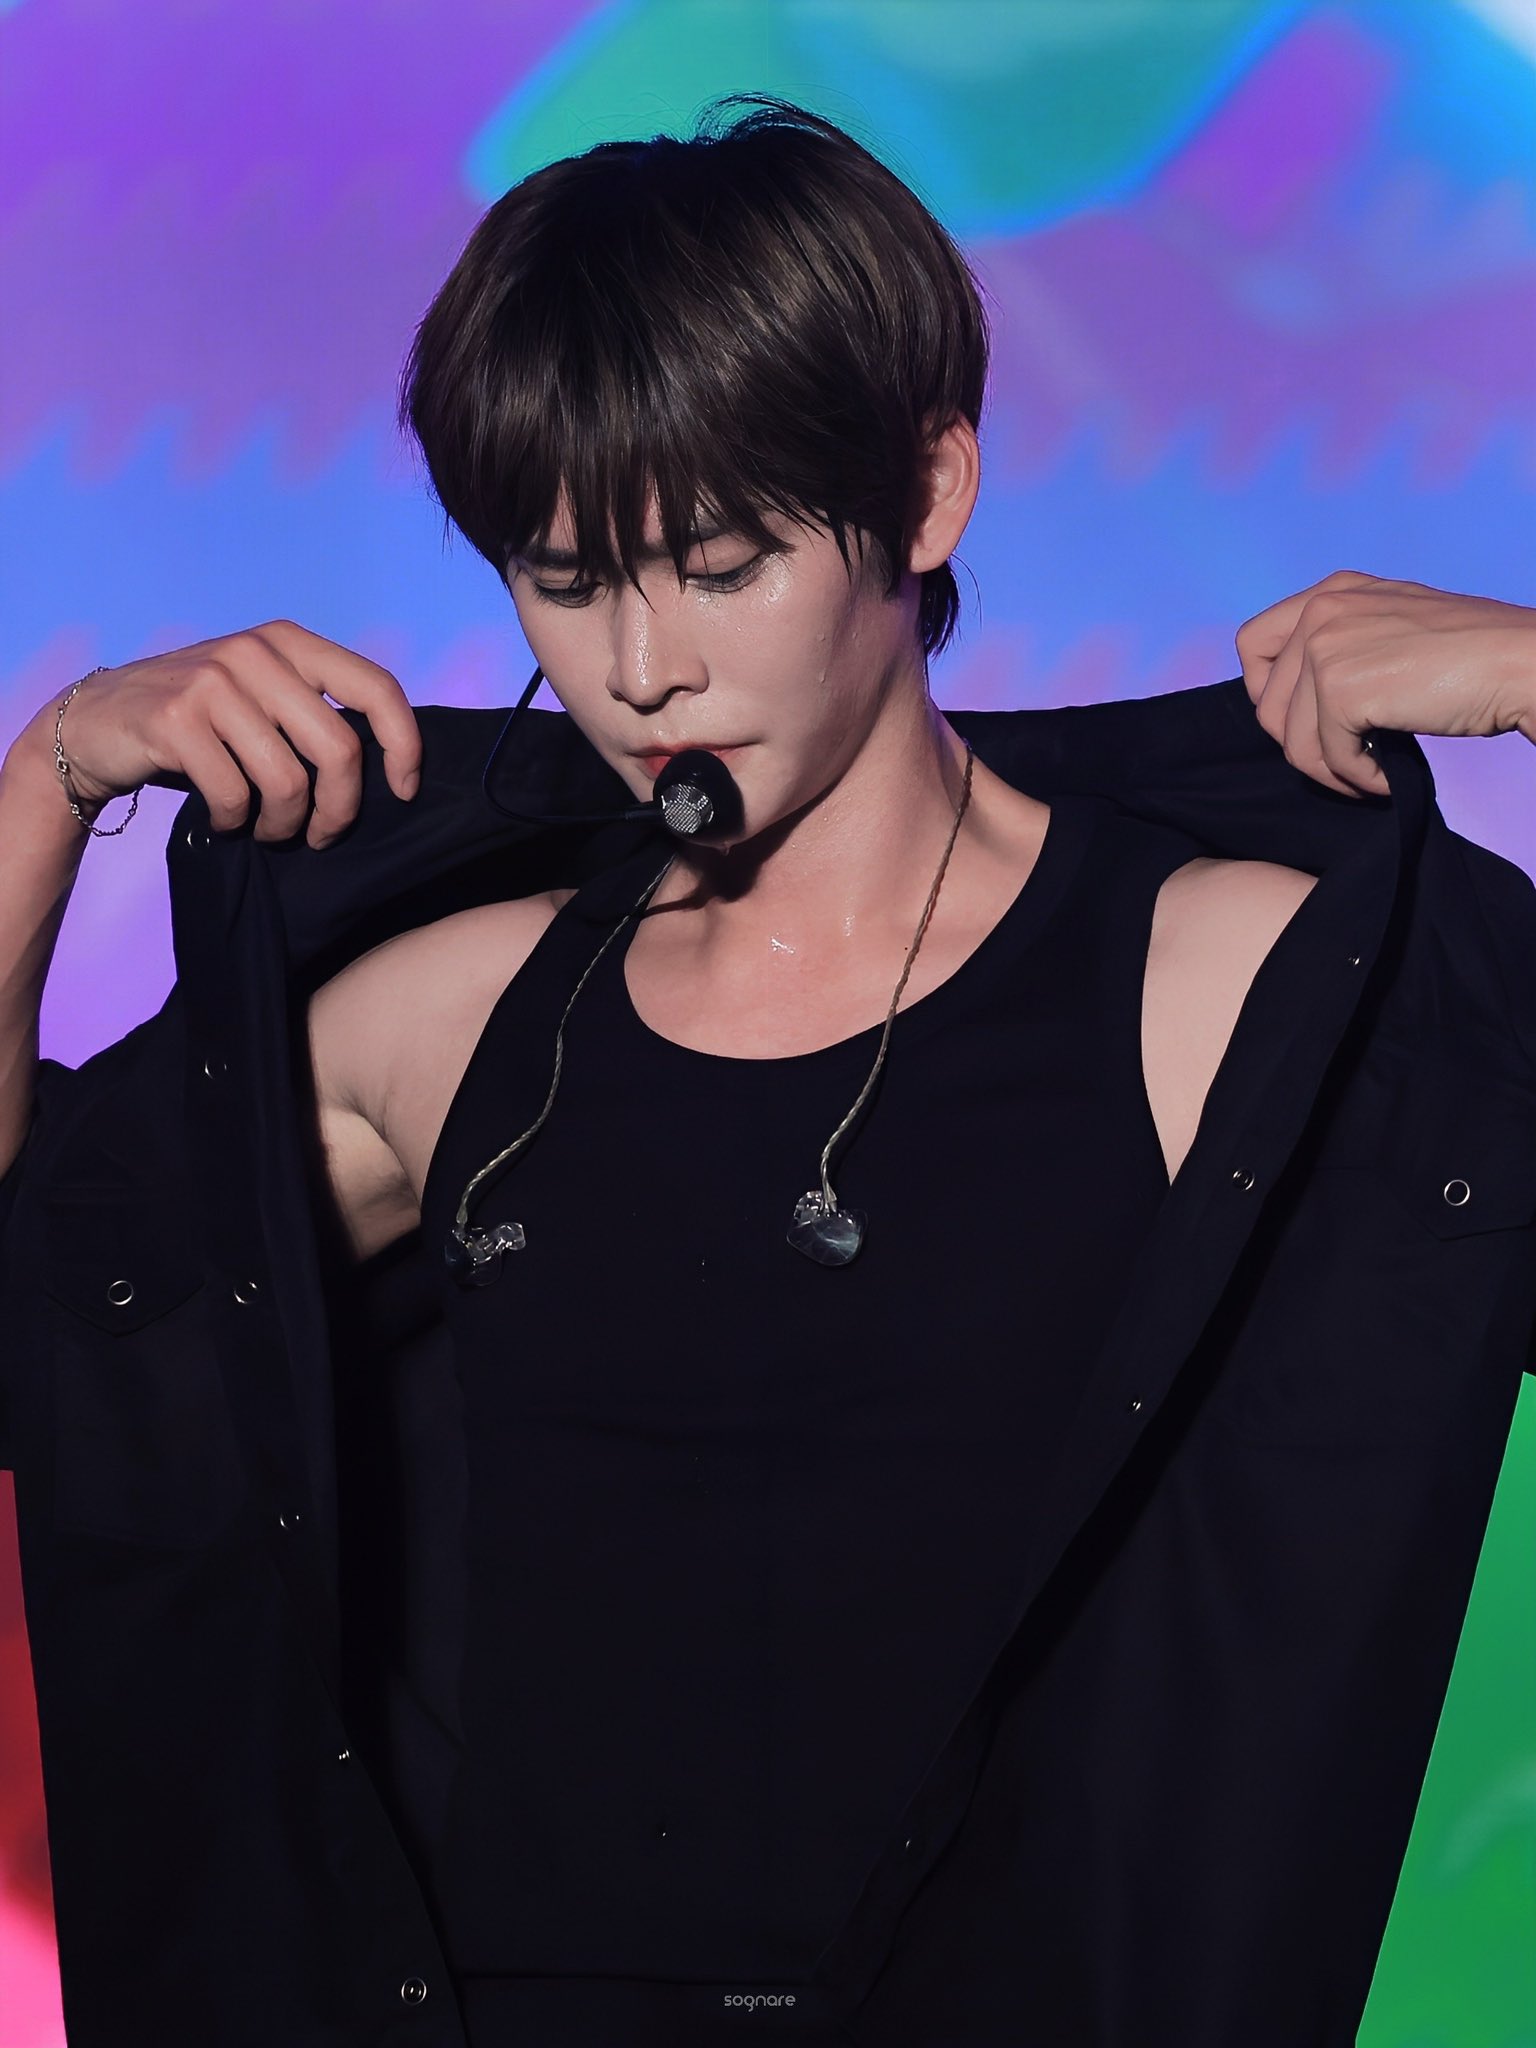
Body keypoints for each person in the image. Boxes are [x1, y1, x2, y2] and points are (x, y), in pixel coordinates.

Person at [2, 94, 1534, 2048]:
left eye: (720, 563)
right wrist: (50, 773)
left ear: (929, 491)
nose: (642, 667)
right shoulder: (462, 1014)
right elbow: (38, 1292)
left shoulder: (1207, 973)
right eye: (566, 580)